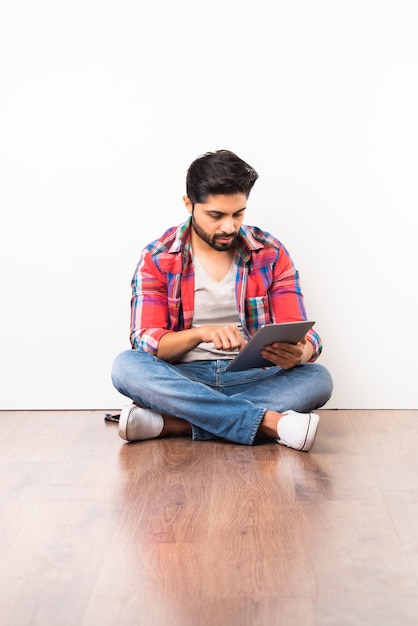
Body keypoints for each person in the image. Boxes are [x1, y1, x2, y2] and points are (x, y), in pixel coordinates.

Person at [111, 150, 333, 452]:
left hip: (252, 377)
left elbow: (301, 332)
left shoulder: (270, 252)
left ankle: (175, 423)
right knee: (127, 366)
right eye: (216, 215)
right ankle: (270, 423)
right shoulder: (158, 257)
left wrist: (301, 351)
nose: (229, 226)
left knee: (318, 378)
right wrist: (202, 334)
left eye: (237, 214)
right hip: (184, 378)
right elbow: (147, 342)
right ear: (189, 205)